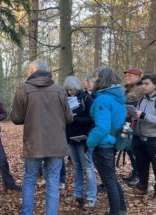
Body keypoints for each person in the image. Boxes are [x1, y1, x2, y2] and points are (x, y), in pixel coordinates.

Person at [11, 60, 73, 215]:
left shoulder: (23, 90)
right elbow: (69, 117)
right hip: (56, 144)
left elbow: (16, 118)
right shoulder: (59, 90)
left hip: (34, 143)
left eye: (27, 70)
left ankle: (27, 213)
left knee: (30, 179)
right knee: (53, 182)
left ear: (32, 70)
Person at [87, 67, 127, 215]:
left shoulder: (103, 98)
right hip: (112, 141)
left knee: (109, 180)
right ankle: (121, 209)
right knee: (111, 178)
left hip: (104, 144)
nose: (93, 80)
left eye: (95, 78)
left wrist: (89, 142)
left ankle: (115, 212)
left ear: (101, 79)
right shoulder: (117, 97)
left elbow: (102, 128)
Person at [62, 76, 97, 209]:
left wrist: (76, 119)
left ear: (77, 87)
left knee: (88, 167)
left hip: (84, 138)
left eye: (72, 89)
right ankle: (77, 194)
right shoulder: (65, 98)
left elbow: (93, 118)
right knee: (77, 166)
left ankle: (91, 197)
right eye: (67, 90)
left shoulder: (86, 98)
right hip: (70, 138)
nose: (70, 92)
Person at [132, 74, 156, 205]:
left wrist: (143, 115)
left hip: (155, 139)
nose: (143, 86)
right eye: (142, 83)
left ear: (155, 84)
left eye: (147, 83)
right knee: (141, 165)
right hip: (138, 138)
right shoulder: (142, 99)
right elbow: (138, 116)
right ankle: (142, 187)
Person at [122, 68, 144, 187]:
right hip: (128, 123)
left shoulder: (139, 88)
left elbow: (127, 99)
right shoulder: (128, 88)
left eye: (131, 75)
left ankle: (139, 176)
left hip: (136, 124)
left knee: (135, 151)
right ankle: (134, 173)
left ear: (139, 76)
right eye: (127, 76)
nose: (128, 77)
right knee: (129, 149)